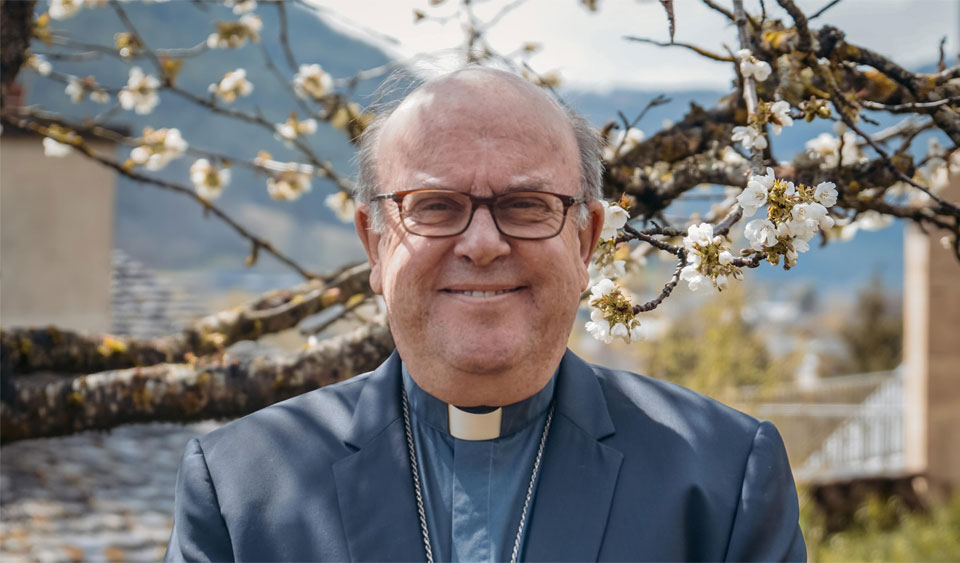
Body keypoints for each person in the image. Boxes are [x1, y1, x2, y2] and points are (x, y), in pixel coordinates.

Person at [165, 66, 806, 562]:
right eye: (434, 205)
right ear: (374, 243)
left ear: (586, 241)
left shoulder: (723, 478)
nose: (482, 244)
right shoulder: (240, 490)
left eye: (526, 205)